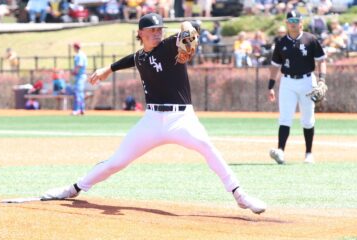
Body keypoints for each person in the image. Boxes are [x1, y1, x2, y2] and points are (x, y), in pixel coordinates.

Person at [41, 13, 266, 215]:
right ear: (140, 33)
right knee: (116, 162)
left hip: (182, 119)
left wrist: (186, 25)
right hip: (151, 121)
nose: (158, 33)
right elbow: (132, 58)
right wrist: (107, 69)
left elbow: (194, 26)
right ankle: (74, 189)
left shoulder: (170, 46)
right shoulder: (141, 57)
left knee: (208, 148)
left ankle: (239, 195)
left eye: (160, 29)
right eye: (153, 30)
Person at [268, 10, 327, 164]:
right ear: (287, 24)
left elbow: (322, 60)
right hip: (287, 82)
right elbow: (275, 65)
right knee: (285, 118)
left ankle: (308, 153)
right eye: (290, 21)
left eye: (296, 20)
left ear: (301, 22)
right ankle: (280, 151)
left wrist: (322, 80)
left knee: (308, 119)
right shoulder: (281, 43)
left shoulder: (310, 39)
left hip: (307, 81)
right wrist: (271, 85)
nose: (293, 23)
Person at [71, 42, 88, 116]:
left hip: (80, 76)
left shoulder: (80, 55)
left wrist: (74, 72)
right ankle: (81, 109)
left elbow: (79, 65)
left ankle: (77, 109)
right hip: (80, 76)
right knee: (80, 93)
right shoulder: (82, 54)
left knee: (78, 93)